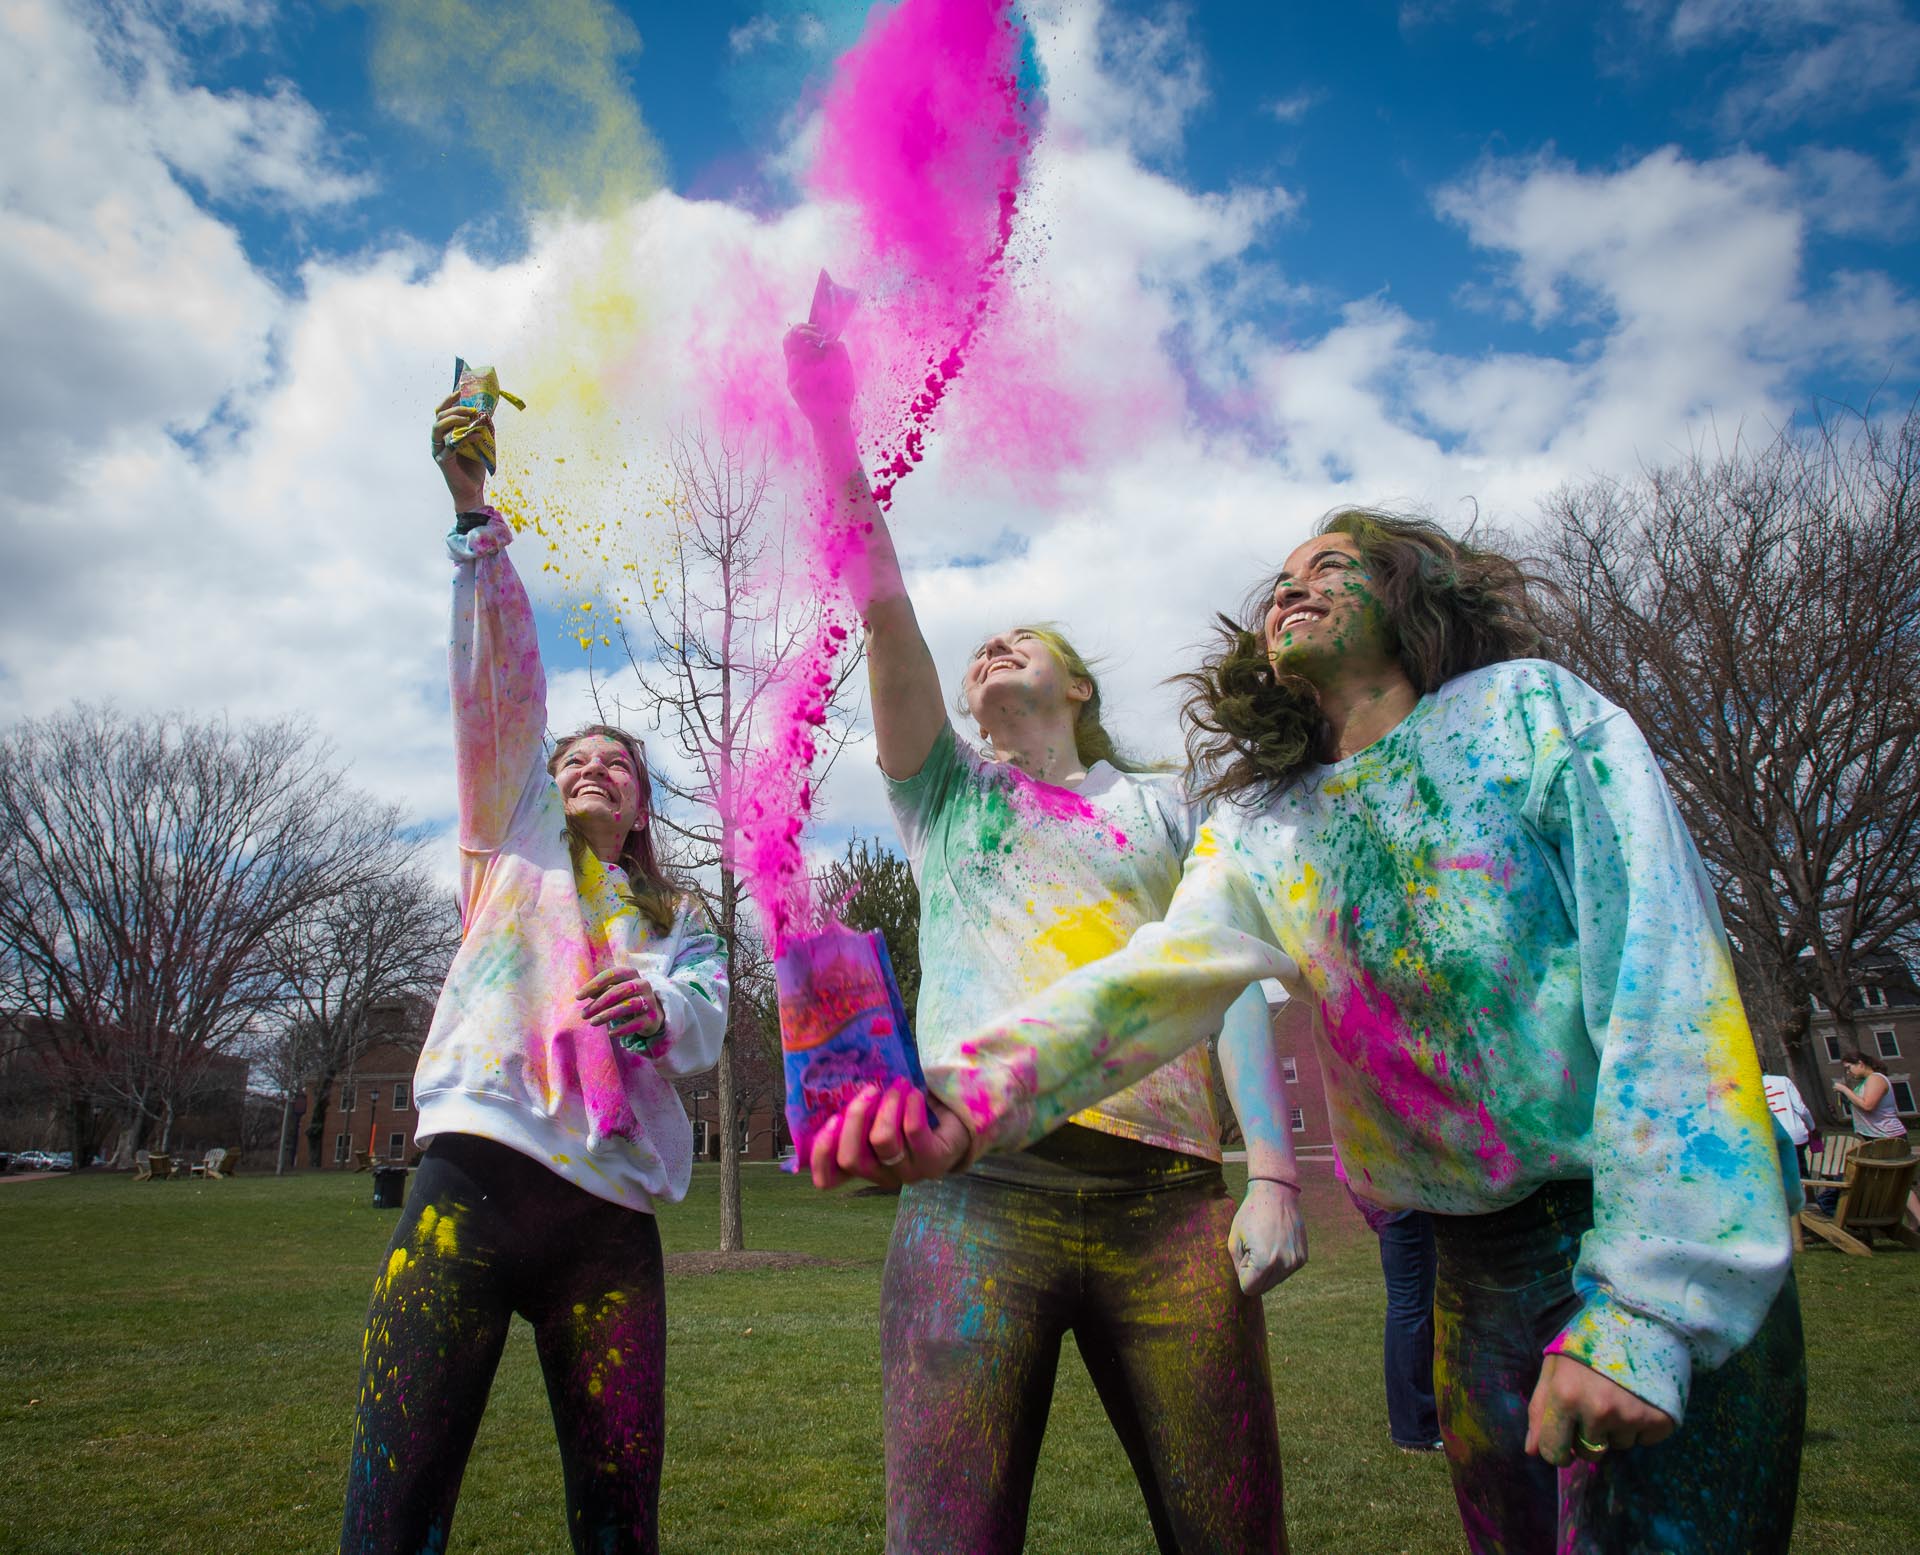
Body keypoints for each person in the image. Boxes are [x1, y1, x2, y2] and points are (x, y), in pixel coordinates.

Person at [816, 510, 1806, 1555]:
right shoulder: (1263, 826)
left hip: (1634, 1236)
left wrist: (1648, 1310)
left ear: (1415, 597)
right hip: (1476, 1276)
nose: (1292, 587)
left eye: (1334, 567)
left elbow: (1667, 984)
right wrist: (967, 1102)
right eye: (1280, 580)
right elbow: (1161, 981)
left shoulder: (1533, 715)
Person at [785, 321, 1305, 1554]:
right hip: (975, 1200)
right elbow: (888, 616)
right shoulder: (945, 792)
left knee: (1233, 1533)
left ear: (1079, 689)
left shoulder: (1161, 806)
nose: (989, 649)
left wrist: (1275, 1174)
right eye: (979, 652)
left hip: (1173, 1203)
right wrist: (830, 434)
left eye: (1027, 641)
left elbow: (1229, 984)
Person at [338, 388, 730, 1555]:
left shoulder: (679, 911)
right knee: (397, 1486)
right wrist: (477, 524)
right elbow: (498, 689)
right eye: (577, 757)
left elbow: (707, 1016)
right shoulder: (507, 836)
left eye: (619, 763)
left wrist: (660, 1006)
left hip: (608, 1220)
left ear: (645, 805)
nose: (593, 766)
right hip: (469, 1179)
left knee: (619, 1505)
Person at [1812, 1049, 1911, 1216]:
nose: (1848, 1072)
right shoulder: (1865, 1082)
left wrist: (1845, 1090)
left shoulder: (1876, 1079)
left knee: (1894, 1181)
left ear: (1861, 1064)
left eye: (1849, 1067)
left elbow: (1868, 1105)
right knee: (1891, 1181)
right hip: (1874, 1137)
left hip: (1888, 1136)